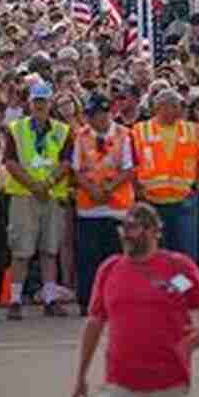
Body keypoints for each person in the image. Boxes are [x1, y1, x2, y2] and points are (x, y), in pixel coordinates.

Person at [71, 202, 199, 397]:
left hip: (166, 385)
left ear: (153, 232)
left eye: (133, 227)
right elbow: (95, 322)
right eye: (124, 227)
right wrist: (81, 376)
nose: (126, 234)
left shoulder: (176, 270)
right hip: (119, 384)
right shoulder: (110, 270)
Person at [3, 81, 73, 319]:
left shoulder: (62, 130)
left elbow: (66, 161)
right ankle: (14, 300)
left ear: (50, 102)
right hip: (25, 195)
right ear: (29, 103)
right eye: (36, 101)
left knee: (49, 249)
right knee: (21, 250)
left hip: (51, 195)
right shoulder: (15, 128)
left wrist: (49, 182)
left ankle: (50, 298)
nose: (40, 105)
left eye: (44, 101)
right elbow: (10, 161)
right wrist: (33, 185)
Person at [73, 93, 137, 317]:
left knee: (116, 259)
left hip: (117, 207)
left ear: (107, 114)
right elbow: (75, 170)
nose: (94, 120)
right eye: (90, 115)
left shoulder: (124, 134)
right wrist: (92, 189)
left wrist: (110, 188)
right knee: (88, 259)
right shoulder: (80, 136)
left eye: (99, 115)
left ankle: (117, 301)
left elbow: (129, 168)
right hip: (89, 207)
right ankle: (87, 302)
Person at [132, 87, 199, 262]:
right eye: (174, 106)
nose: (179, 110)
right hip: (151, 202)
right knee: (155, 253)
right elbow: (131, 163)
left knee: (184, 253)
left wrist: (196, 184)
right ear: (160, 107)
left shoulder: (190, 130)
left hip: (182, 202)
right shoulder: (140, 131)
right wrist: (137, 189)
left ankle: (183, 287)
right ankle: (160, 288)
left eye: (179, 106)